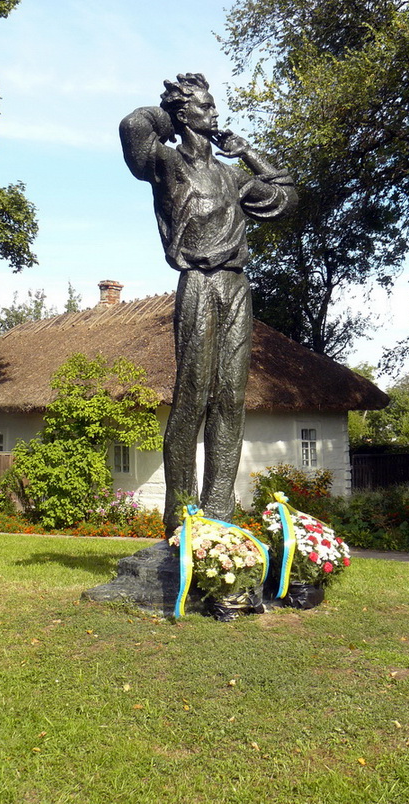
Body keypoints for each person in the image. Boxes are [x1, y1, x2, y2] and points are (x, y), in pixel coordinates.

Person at [120, 73, 297, 534]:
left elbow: (286, 197)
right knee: (193, 397)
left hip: (236, 285)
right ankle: (182, 519)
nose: (215, 113)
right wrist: (170, 113)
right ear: (184, 114)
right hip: (198, 282)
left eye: (214, 106)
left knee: (230, 397)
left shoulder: (231, 176)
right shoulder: (166, 164)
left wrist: (247, 152)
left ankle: (218, 518)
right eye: (206, 106)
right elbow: (133, 125)